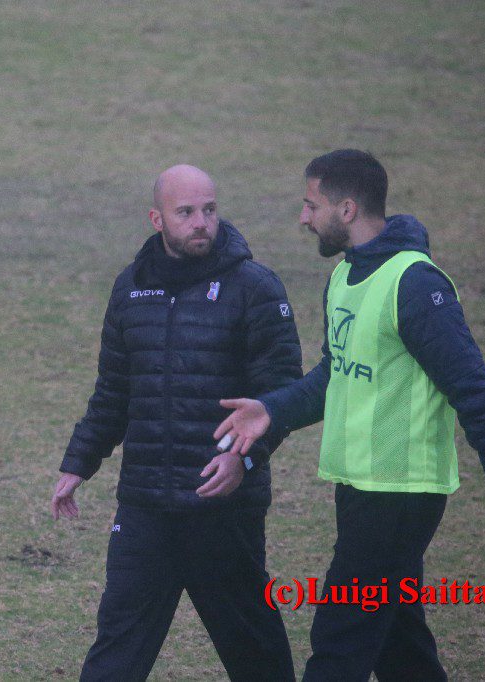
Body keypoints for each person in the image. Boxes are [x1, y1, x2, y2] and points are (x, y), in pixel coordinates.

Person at [213, 149, 485, 681]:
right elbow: (334, 375)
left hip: (403, 490)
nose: (302, 218)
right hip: (362, 484)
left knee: (342, 632)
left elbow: (470, 384)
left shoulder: (416, 285)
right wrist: (271, 410)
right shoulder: (346, 276)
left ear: (345, 209)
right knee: (397, 641)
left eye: (309, 204)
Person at [51, 164, 303, 681]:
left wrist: (244, 459)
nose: (200, 223)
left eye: (209, 210)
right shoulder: (130, 289)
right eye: (185, 212)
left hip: (222, 507)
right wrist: (78, 463)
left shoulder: (254, 287)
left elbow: (282, 395)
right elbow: (115, 391)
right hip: (145, 507)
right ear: (156, 219)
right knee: (116, 649)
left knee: (254, 650)